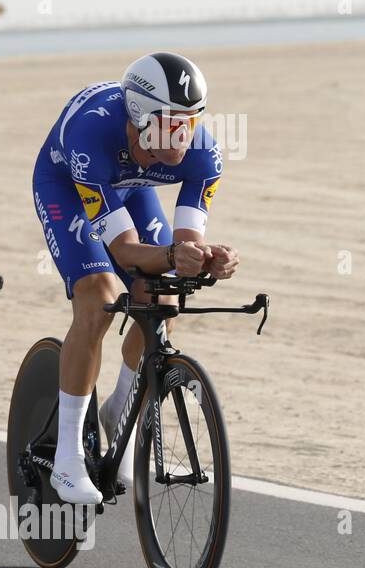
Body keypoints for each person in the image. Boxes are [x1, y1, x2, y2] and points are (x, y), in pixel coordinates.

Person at [32, 51, 239, 505]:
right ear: (142, 116)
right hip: (69, 186)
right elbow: (125, 251)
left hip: (130, 189)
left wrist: (206, 259)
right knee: (97, 297)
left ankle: (120, 410)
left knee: (164, 296)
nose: (184, 134)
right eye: (172, 122)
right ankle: (67, 458)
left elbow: (185, 244)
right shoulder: (91, 135)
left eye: (192, 121)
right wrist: (171, 253)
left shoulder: (203, 153)